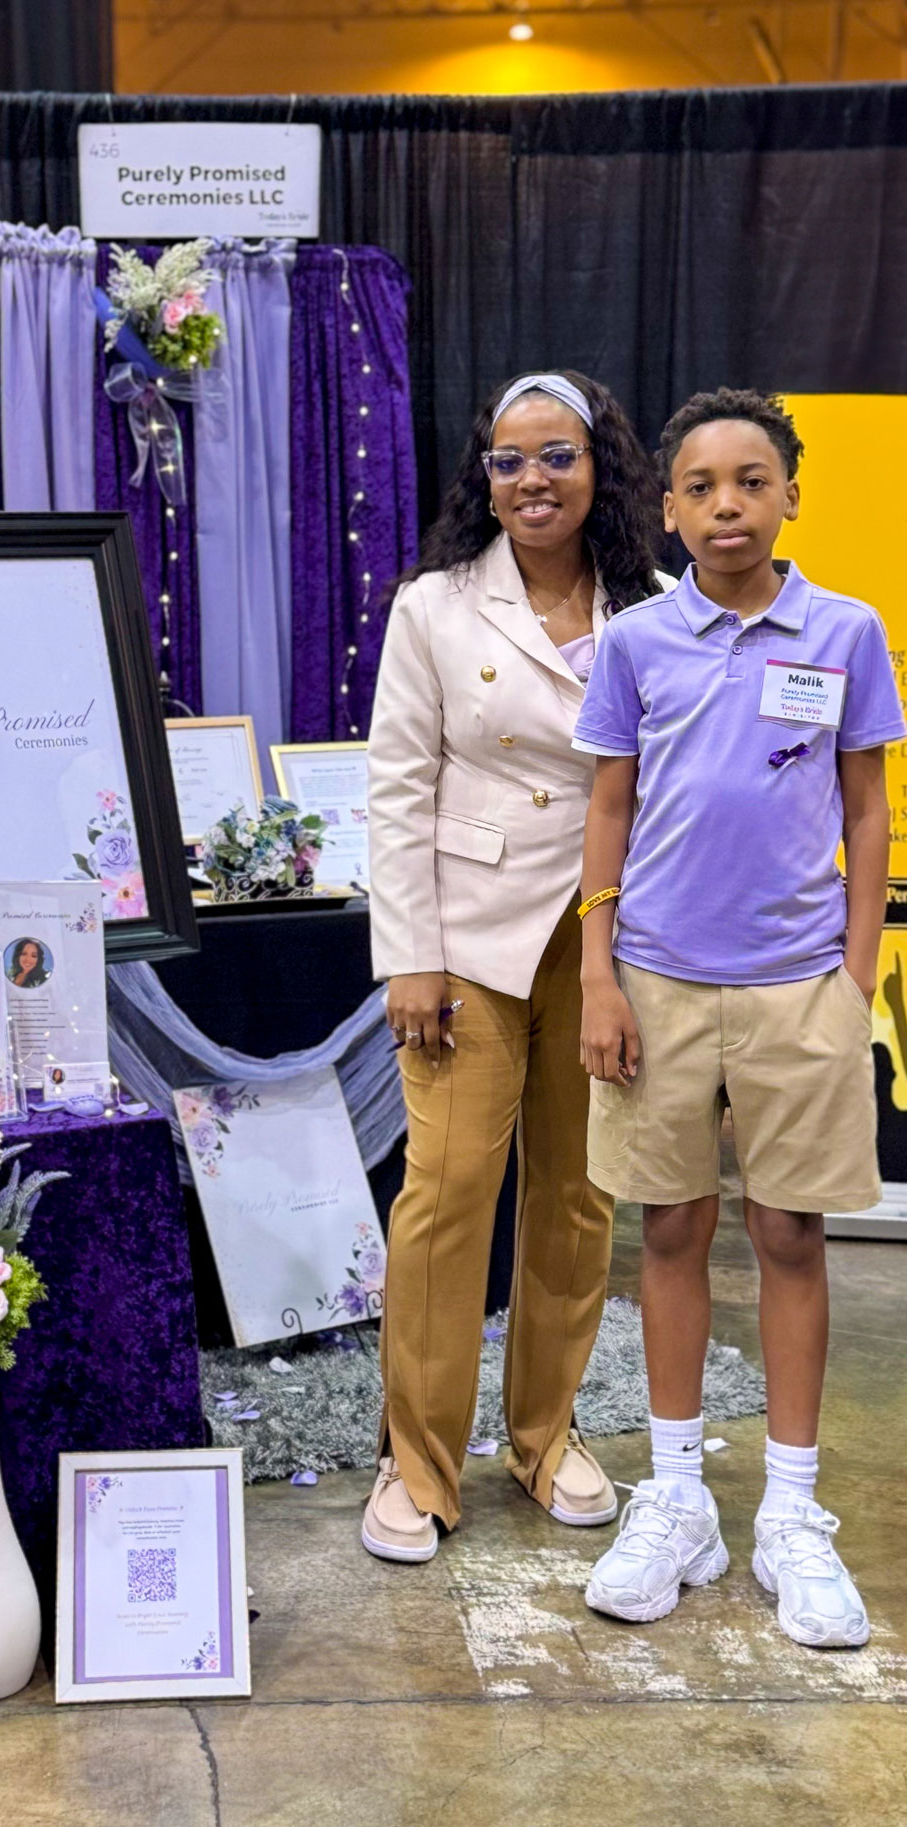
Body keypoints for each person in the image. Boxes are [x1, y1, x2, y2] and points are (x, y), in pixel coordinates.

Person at [574, 387, 904, 1647]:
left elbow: (866, 807)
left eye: (751, 480)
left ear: (790, 494)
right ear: (666, 508)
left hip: (795, 983)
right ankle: (675, 1498)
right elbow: (609, 809)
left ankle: (794, 1512)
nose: (726, 504)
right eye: (700, 485)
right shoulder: (639, 644)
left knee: (790, 1233)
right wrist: (599, 971)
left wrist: (854, 963)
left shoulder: (847, 630)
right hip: (654, 976)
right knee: (669, 1228)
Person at [363, 369, 670, 1564]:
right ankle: (417, 1458)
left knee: (580, 1194)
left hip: (607, 942)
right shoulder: (434, 606)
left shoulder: (653, 607)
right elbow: (396, 788)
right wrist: (413, 955)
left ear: (600, 469)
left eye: (556, 456)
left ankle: (546, 1433)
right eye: (507, 459)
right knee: (445, 1192)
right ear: (481, 478)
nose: (531, 479)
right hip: (470, 940)